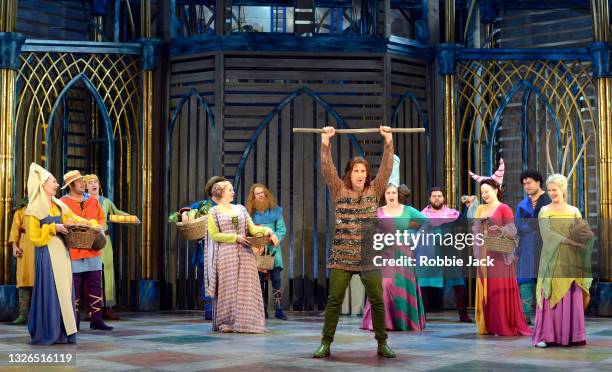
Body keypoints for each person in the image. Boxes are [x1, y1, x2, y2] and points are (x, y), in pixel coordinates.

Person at [313, 125, 396, 359]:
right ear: (349, 173)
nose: (360, 174)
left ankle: (382, 343)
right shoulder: (339, 189)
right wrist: (326, 143)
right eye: (356, 170)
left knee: (377, 301)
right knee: (334, 301)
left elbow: (386, 169)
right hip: (342, 254)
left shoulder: (375, 188)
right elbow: (327, 169)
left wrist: (388, 142)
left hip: (368, 254)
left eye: (363, 171)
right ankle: (325, 343)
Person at [24, 163, 95, 344]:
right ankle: (49, 331)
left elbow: (72, 218)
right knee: (52, 290)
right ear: (43, 185)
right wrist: (53, 228)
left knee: (64, 290)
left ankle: (64, 332)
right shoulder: (33, 209)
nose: (56, 185)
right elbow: (33, 237)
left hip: (62, 252)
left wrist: (89, 223)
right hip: (47, 254)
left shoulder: (58, 205)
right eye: (54, 182)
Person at [207, 181, 277, 333]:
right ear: (221, 193)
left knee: (247, 287)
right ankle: (227, 322)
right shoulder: (214, 211)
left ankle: (248, 321)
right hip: (226, 255)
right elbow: (214, 235)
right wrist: (235, 238)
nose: (233, 192)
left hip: (245, 254)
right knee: (228, 288)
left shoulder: (241, 209)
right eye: (230, 190)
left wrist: (267, 231)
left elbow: (252, 229)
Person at [532, 174, 593, 347]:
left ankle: (572, 335)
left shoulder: (574, 211)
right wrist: (569, 241)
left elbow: (582, 231)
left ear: (563, 190)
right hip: (553, 258)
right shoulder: (545, 211)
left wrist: (587, 236)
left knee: (570, 294)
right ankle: (546, 336)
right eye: (549, 190)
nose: (551, 193)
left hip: (571, 259)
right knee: (550, 293)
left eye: (555, 190)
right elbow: (548, 234)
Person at [361, 184, 426, 331]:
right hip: (385, 253)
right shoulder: (378, 212)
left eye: (393, 192)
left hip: (404, 253)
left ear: (398, 194)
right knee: (385, 284)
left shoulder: (407, 210)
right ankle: (381, 322)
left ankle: (403, 321)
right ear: (384, 195)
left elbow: (426, 223)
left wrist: (415, 237)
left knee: (403, 286)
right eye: (388, 193)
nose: (391, 195)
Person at [472, 177, 531, 336]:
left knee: (499, 289)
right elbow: (475, 231)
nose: (484, 195)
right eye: (482, 192)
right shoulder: (480, 209)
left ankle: (503, 324)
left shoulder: (504, 208)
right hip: (484, 253)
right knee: (487, 290)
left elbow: (513, 230)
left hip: (500, 254)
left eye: (487, 191)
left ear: (496, 190)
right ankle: (489, 325)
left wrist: (500, 229)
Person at [60, 170, 113, 331]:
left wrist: (97, 228)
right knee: (74, 287)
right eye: (79, 181)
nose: (83, 184)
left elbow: (101, 219)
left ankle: (96, 319)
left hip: (93, 249)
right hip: (74, 250)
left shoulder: (92, 201)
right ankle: (73, 321)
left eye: (84, 181)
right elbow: (61, 221)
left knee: (96, 285)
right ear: (70, 185)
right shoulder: (63, 202)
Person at [419, 187, 472, 322]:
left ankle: (463, 314)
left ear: (444, 198)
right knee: (423, 283)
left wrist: (468, 207)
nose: (437, 198)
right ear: (430, 199)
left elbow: (466, 222)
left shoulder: (453, 214)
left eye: (439, 196)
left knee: (458, 282)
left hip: (449, 251)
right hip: (429, 253)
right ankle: (421, 315)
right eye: (434, 196)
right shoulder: (422, 215)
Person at [180, 176, 226, 320]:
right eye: (217, 186)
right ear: (212, 189)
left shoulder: (228, 206)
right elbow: (185, 210)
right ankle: (209, 310)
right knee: (206, 279)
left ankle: (223, 310)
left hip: (224, 247)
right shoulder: (205, 204)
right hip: (206, 247)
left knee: (224, 280)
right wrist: (185, 214)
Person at [84, 174, 129, 320]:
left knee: (107, 272)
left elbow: (117, 213)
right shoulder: (83, 201)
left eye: (95, 181)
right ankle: (92, 308)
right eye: (90, 183)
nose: (93, 184)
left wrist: (131, 217)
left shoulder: (106, 202)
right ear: (85, 186)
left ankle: (107, 307)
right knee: (91, 273)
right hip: (89, 240)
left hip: (105, 240)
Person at [245, 183, 288, 320]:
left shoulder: (275, 211)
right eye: (257, 193)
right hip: (257, 250)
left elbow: (282, 230)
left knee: (276, 280)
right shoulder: (249, 214)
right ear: (253, 197)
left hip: (273, 250)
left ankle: (278, 309)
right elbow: (247, 230)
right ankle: (262, 309)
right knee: (259, 281)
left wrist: (274, 238)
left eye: (263, 192)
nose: (261, 195)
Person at [515, 170, 551, 324]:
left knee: (546, 282)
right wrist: (515, 252)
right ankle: (525, 317)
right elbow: (517, 229)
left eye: (529, 182)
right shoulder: (522, 205)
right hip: (527, 248)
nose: (526, 186)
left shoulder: (550, 200)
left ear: (538, 182)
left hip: (546, 245)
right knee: (526, 281)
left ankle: (547, 319)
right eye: (524, 184)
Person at [9, 197, 35, 325]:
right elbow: (15, 228)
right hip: (25, 244)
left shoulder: (46, 205)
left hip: (41, 244)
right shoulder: (21, 209)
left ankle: (38, 313)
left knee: (39, 280)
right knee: (24, 278)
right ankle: (23, 313)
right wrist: (14, 245)